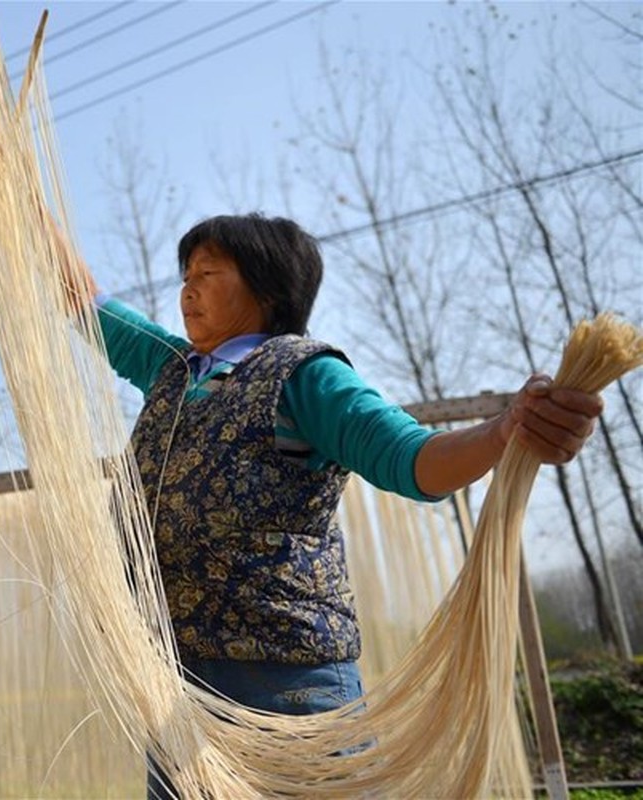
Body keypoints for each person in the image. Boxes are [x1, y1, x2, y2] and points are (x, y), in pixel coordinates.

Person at [55, 212, 602, 799]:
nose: (188, 288)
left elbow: (411, 458)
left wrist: (505, 432)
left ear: (267, 290)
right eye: (186, 273)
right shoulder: (172, 367)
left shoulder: (305, 376)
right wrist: (16, 188)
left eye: (208, 272)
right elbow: (81, 297)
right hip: (177, 684)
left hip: (284, 680)